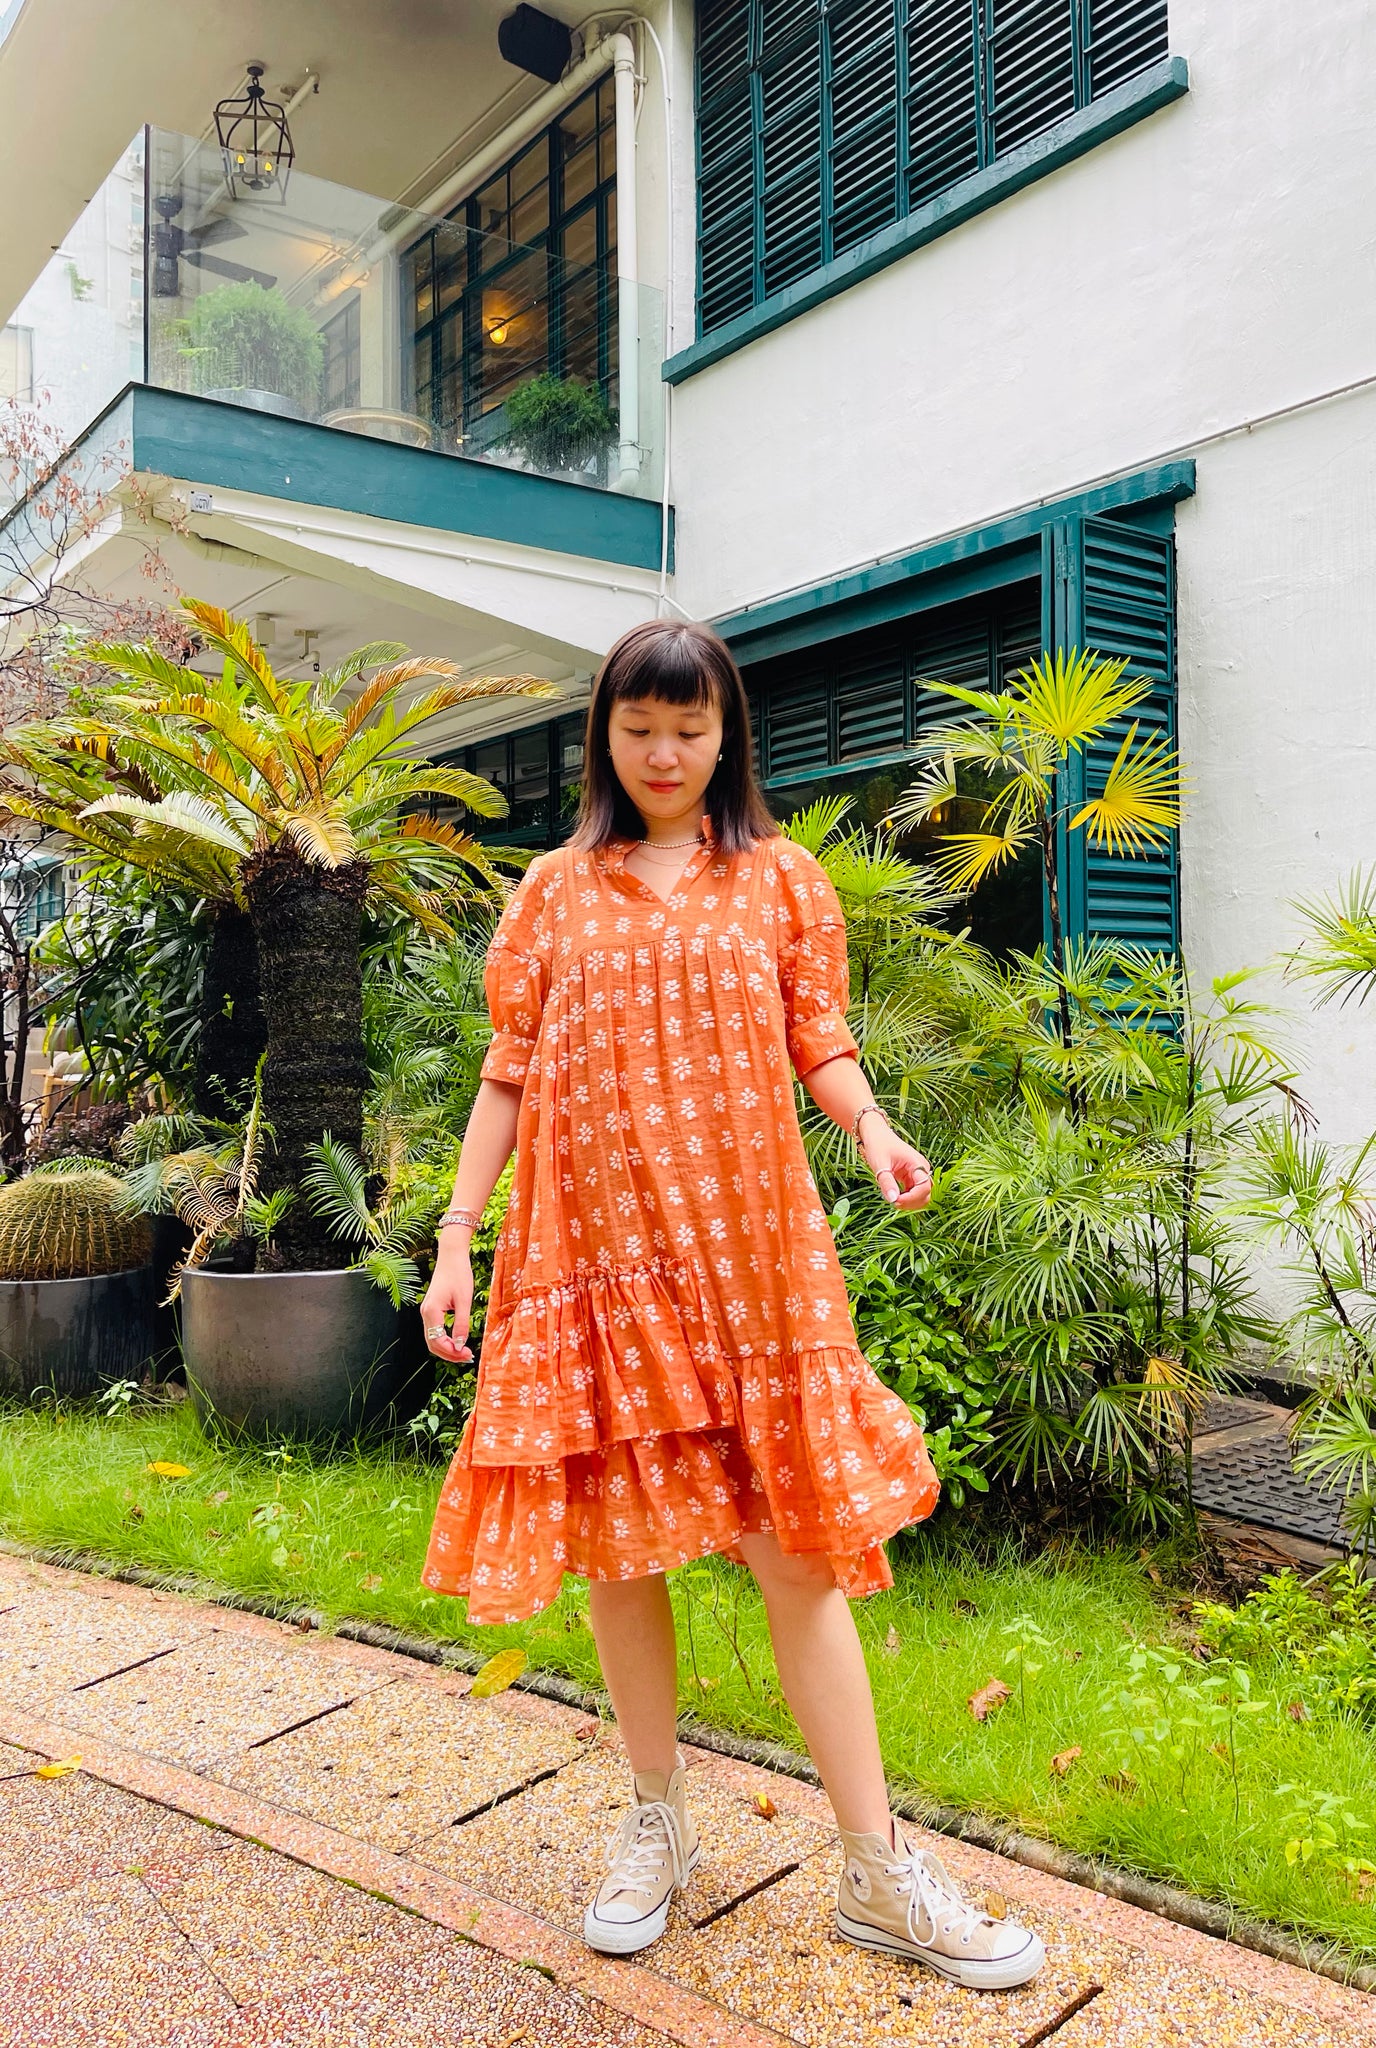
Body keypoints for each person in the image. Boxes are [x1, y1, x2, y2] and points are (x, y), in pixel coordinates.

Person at [420, 619, 1044, 1992]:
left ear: (726, 736)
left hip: (750, 1264)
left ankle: (879, 1869)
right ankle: (658, 1822)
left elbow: (819, 1038)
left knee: (796, 1560)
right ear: (606, 735)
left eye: (689, 730)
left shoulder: (782, 881)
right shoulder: (553, 893)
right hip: (588, 1262)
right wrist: (458, 1235)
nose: (663, 753)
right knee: (621, 1555)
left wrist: (873, 1131)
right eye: (640, 729)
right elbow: (509, 1076)